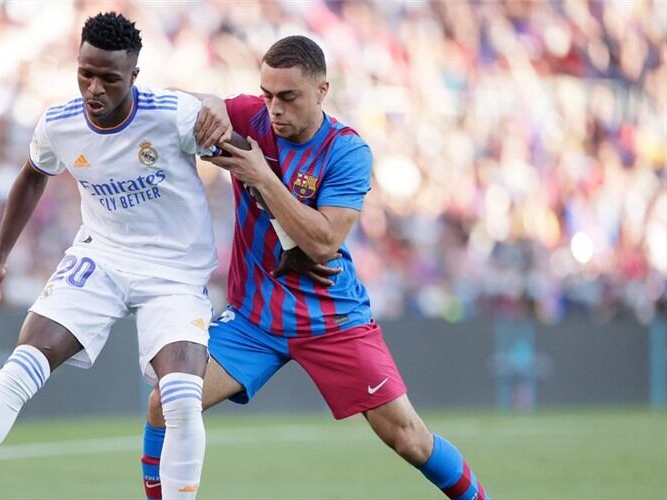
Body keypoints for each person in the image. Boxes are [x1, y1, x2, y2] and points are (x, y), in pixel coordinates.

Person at [140, 36, 487, 500]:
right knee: (166, 404)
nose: (273, 109)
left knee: (409, 439)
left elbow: (323, 242)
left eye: (287, 97)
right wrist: (208, 106)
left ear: (322, 91)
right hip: (253, 322)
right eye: (266, 95)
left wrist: (261, 175)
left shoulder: (347, 152)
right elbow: (192, 105)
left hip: (331, 320)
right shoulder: (251, 117)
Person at [0, 12, 222, 500]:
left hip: (175, 272)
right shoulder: (59, 123)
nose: (94, 88)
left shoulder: (174, 116)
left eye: (109, 78)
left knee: (182, 397)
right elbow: (33, 175)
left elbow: (244, 159)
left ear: (134, 76)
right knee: (22, 365)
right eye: (85, 72)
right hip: (102, 257)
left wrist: (217, 104)